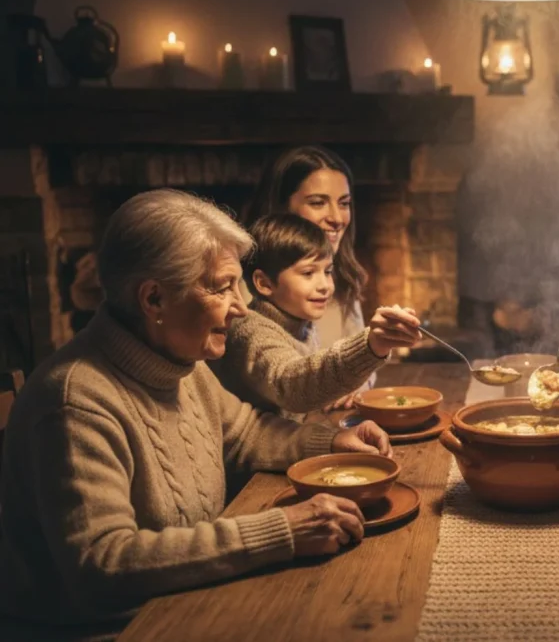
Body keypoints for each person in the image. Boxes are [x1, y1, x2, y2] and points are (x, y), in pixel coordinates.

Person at [0, 190, 421, 629]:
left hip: (185, 600)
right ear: (154, 300)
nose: (240, 308)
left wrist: (332, 441)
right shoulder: (75, 402)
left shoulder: (181, 364)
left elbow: (244, 433)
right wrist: (280, 532)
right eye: (220, 288)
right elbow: (104, 564)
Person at [213, 213, 414, 421]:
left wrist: (336, 388)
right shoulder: (250, 331)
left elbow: (311, 382)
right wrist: (369, 346)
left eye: (327, 271)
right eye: (308, 273)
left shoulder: (302, 324)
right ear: (264, 283)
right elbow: (291, 385)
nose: (325, 286)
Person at [247, 146, 372, 409]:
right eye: (317, 202)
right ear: (281, 207)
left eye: (344, 203)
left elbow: (365, 370)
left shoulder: (339, 277)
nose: (337, 218)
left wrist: (354, 386)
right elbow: (286, 382)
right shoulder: (243, 297)